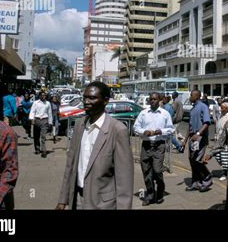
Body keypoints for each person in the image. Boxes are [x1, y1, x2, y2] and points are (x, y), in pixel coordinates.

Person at [56, 82, 134, 210]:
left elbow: (124, 179)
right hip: (77, 200)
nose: (86, 101)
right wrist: (63, 199)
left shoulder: (117, 130)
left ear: (105, 101)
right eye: (85, 97)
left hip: (103, 204)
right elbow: (70, 165)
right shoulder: (79, 125)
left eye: (92, 98)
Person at [134, 92, 174, 206]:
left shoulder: (165, 114)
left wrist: (161, 131)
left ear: (159, 100)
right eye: (151, 99)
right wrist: (143, 132)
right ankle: (150, 195)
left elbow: (171, 129)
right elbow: (136, 127)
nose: (152, 101)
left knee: (157, 170)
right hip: (146, 145)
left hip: (159, 145)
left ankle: (160, 191)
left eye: (155, 99)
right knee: (146, 171)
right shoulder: (143, 113)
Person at [182, 90, 212, 192]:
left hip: (200, 137)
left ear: (197, 96)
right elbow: (189, 126)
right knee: (192, 160)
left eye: (191, 95)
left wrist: (198, 134)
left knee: (197, 160)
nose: (190, 97)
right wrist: (185, 141)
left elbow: (207, 122)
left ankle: (207, 178)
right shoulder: (193, 108)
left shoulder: (203, 106)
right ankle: (196, 183)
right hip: (192, 138)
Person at [213, 102, 228, 181]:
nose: (220, 109)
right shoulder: (221, 116)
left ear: (227, 109)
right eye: (220, 107)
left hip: (225, 141)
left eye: (222, 108)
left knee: (224, 158)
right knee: (218, 156)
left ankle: (226, 173)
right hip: (219, 140)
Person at [29, 92, 53, 158]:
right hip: (37, 120)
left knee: (43, 136)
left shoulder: (48, 103)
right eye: (42, 95)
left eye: (44, 95)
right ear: (39, 96)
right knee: (36, 136)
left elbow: (50, 113)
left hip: (44, 121)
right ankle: (37, 149)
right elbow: (32, 111)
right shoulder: (36, 103)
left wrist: (50, 123)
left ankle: (43, 151)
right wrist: (32, 119)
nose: (43, 96)